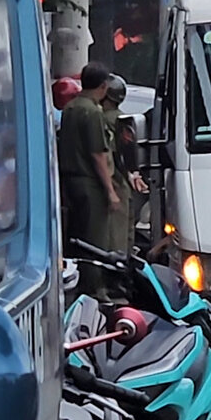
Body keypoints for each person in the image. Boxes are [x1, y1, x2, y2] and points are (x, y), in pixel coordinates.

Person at [58, 62, 120, 302]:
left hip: (71, 182)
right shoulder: (93, 112)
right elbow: (98, 154)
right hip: (90, 183)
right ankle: (94, 290)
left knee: (76, 237)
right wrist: (110, 191)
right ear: (103, 86)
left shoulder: (71, 108)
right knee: (95, 239)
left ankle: (75, 284)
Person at [101, 74, 148, 255]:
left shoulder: (104, 119)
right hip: (125, 184)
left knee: (115, 238)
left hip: (113, 183)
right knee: (126, 235)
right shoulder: (124, 120)